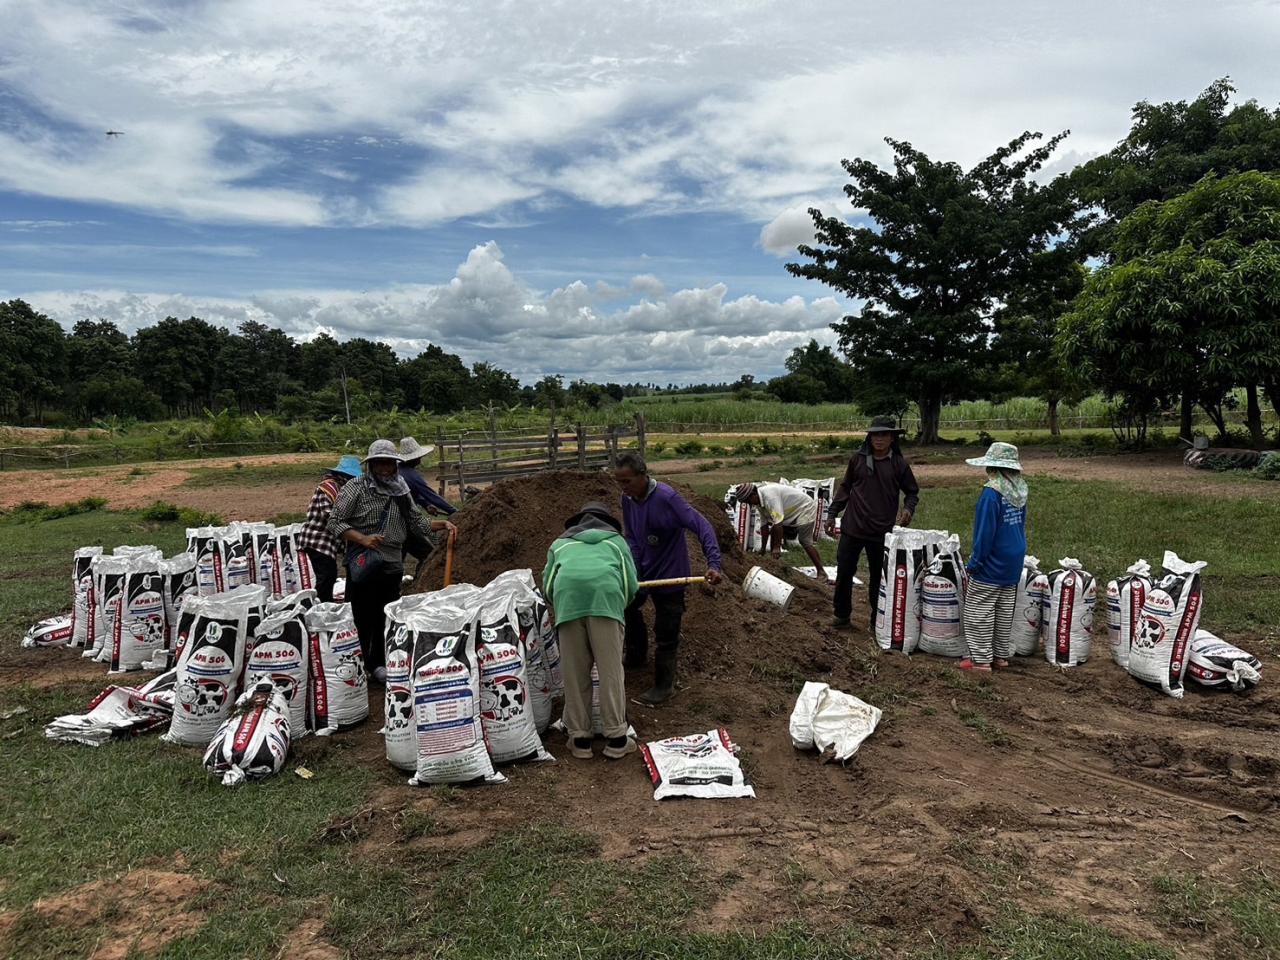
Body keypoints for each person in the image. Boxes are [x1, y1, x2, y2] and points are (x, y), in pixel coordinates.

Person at [328, 439, 456, 683]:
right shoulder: (356, 487)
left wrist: (440, 525)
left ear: (396, 465)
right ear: (371, 465)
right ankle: (365, 664)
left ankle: (381, 662)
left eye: (389, 464)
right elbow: (335, 522)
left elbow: (415, 521)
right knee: (364, 615)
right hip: (365, 561)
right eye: (380, 464)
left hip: (392, 561)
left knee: (387, 612)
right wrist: (363, 538)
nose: (385, 469)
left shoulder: (401, 488)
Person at [615, 452, 723, 704]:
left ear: (643, 476)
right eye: (619, 482)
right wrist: (633, 563)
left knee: (666, 629)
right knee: (628, 609)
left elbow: (702, 525)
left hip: (671, 575)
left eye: (627, 481)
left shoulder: (667, 498)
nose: (622, 487)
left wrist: (714, 563)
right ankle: (636, 657)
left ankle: (664, 686)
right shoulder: (627, 499)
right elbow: (631, 534)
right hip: (641, 571)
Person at [542, 501, 639, 759]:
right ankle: (617, 739)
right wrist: (617, 606)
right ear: (607, 523)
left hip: (569, 606)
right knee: (610, 673)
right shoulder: (617, 543)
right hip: (606, 606)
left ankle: (580, 741)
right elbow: (630, 583)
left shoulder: (560, 544)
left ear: (578, 523)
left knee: (575, 675)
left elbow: (548, 586)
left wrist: (565, 605)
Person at [825, 416, 920, 630]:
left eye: (884, 434)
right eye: (875, 434)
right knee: (844, 573)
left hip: (881, 531)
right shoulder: (857, 460)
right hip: (853, 527)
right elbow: (845, 487)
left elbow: (912, 492)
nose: (879, 439)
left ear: (892, 438)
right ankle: (841, 616)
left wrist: (908, 509)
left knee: (879, 579)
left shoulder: (898, 464)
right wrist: (832, 514)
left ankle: (876, 622)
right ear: (870, 436)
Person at [960, 442, 1027, 672]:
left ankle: (980, 660)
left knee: (978, 611)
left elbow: (984, 534)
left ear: (993, 467)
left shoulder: (991, 493)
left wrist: (974, 563)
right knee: (1003, 610)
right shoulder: (1020, 491)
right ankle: (1000, 656)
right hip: (1015, 559)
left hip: (993, 560)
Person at [296, 455, 361, 602]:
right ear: (344, 476)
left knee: (328, 575)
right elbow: (329, 515)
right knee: (327, 576)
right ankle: (321, 606)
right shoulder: (327, 488)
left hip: (324, 541)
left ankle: (324, 603)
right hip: (317, 540)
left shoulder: (339, 489)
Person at [734, 482, 827, 580]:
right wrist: (763, 549)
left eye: (749, 501)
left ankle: (821, 572)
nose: (750, 504)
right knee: (774, 530)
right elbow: (764, 526)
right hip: (790, 511)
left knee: (804, 540)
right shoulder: (759, 502)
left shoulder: (770, 497)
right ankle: (775, 566)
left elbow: (778, 523)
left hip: (804, 508)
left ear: (753, 494)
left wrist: (777, 547)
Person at [398, 436, 457, 516]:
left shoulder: (398, 470)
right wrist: (454, 511)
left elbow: (412, 492)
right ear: (414, 458)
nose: (420, 458)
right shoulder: (412, 476)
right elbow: (431, 495)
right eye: (419, 457)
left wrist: (426, 504)